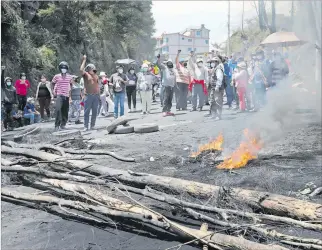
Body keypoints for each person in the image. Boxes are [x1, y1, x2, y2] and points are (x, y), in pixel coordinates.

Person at [80, 55, 100, 131]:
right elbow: (81, 69)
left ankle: (92, 125)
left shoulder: (96, 76)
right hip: (88, 96)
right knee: (86, 112)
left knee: (95, 111)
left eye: (93, 68)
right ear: (88, 69)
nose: (92, 69)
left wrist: (98, 94)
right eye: (91, 68)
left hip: (96, 96)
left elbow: (97, 85)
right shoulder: (85, 75)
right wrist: (84, 60)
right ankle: (85, 126)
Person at [52, 61, 73, 131]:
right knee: (58, 109)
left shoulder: (70, 77)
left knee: (65, 111)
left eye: (65, 68)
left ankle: (63, 124)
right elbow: (52, 83)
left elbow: (71, 86)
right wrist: (53, 91)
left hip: (66, 95)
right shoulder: (56, 76)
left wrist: (70, 97)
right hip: (59, 95)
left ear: (67, 69)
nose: (63, 69)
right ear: (60, 69)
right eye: (62, 68)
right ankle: (56, 125)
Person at [1, 66, 18, 131]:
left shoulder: (13, 88)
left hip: (11, 104)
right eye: (7, 81)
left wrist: (16, 103)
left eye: (9, 81)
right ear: (5, 82)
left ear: (11, 81)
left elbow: (15, 97)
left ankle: (11, 127)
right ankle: (5, 127)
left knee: (11, 116)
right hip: (5, 104)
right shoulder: (4, 87)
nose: (8, 82)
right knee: (5, 117)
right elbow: (1, 80)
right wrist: (2, 71)